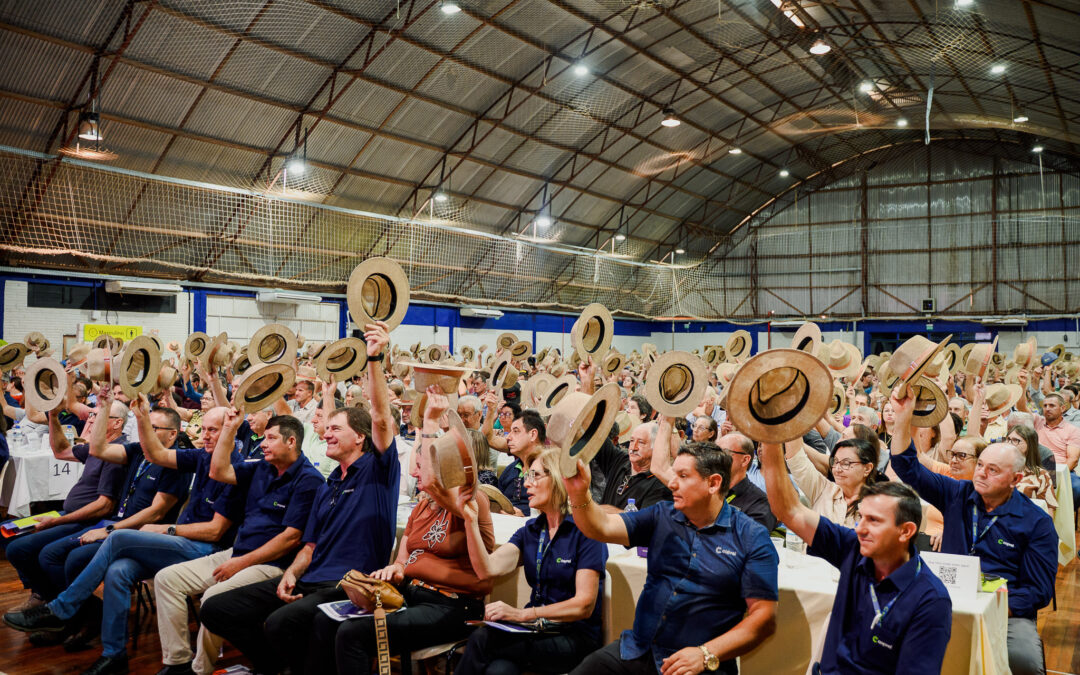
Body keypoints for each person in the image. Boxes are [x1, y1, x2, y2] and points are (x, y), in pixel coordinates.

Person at [201, 320, 400, 675]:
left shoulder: (377, 472)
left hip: (348, 584)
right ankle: (275, 666)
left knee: (281, 623)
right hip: (310, 579)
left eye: (336, 429)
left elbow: (382, 418)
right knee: (216, 609)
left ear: (360, 438)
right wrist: (291, 573)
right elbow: (308, 546)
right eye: (326, 430)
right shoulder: (326, 486)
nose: (326, 436)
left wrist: (375, 358)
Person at [3, 400, 236, 675]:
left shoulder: (238, 470)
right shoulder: (200, 457)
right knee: (118, 570)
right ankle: (114, 654)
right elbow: (154, 454)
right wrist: (138, 416)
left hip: (204, 549)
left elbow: (215, 532)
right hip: (176, 543)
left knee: (116, 538)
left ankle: (62, 609)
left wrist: (166, 528)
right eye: (204, 429)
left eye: (214, 430)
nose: (205, 435)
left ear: (231, 431)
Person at [305, 387, 494, 674]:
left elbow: (430, 481)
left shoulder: (468, 501)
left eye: (420, 465)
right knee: (324, 619)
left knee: (352, 633)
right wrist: (394, 570)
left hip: (452, 605)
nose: (416, 473)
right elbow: (402, 561)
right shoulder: (422, 506)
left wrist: (429, 422)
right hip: (411, 594)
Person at [564, 443, 778, 675]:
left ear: (713, 483)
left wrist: (705, 653)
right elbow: (601, 527)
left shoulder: (751, 537)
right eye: (674, 473)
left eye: (683, 476)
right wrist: (578, 492)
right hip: (638, 650)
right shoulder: (662, 514)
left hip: (698, 664)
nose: (672, 483)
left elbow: (764, 618)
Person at [890, 388, 1057, 675]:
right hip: (945, 597)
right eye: (980, 466)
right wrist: (903, 418)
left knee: (1024, 660)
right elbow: (907, 467)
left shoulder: (1036, 523)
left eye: (993, 470)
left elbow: (1038, 592)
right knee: (887, 637)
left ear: (1016, 479)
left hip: (1003, 610)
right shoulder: (956, 492)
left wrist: (991, 606)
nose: (981, 473)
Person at [758, 440, 953, 674]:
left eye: (874, 521)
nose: (860, 528)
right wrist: (769, 437)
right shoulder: (854, 547)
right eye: (861, 517)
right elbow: (787, 509)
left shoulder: (930, 599)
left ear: (906, 531)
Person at [153, 413, 323, 675]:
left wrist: (239, 563)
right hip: (237, 553)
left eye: (270, 438)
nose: (263, 443)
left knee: (213, 598)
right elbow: (218, 471)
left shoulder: (309, 479)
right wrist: (230, 429)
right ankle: (177, 662)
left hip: (271, 565)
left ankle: (200, 670)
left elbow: (291, 538)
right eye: (263, 437)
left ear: (291, 441)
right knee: (166, 579)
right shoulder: (263, 466)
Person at [455, 448, 607, 674]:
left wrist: (522, 614)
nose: (526, 484)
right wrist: (470, 521)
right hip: (534, 629)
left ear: (558, 478)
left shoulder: (586, 532)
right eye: (527, 476)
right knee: (499, 671)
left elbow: (583, 605)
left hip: (573, 636)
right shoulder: (532, 530)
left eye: (534, 476)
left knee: (482, 639)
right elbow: (487, 569)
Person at [3, 401, 128, 621]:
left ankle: (68, 605)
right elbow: (60, 451)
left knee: (21, 549)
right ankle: (47, 596)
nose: (90, 420)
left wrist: (57, 521)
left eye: (97, 416)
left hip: (87, 521)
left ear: (117, 423)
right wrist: (52, 416)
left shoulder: (115, 452)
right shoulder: (96, 445)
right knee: (8, 531)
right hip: (66, 515)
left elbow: (104, 506)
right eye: (91, 416)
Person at [652, 419, 775, 531]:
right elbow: (659, 468)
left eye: (724, 452)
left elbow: (747, 545)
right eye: (715, 451)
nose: (718, 457)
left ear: (745, 460)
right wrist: (667, 420)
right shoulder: (702, 485)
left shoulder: (759, 503)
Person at [785, 437, 879, 528]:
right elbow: (796, 461)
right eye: (835, 462)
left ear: (867, 468)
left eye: (846, 463)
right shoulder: (823, 489)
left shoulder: (877, 506)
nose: (837, 469)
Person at [593, 421, 671, 511]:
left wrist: (602, 513)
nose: (633, 447)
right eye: (632, 441)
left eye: (641, 442)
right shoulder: (619, 460)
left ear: (656, 447)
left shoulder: (660, 484)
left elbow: (644, 521)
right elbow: (595, 435)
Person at [499, 409, 546, 514]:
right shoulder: (509, 470)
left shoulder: (549, 469)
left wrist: (524, 517)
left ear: (533, 435)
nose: (508, 437)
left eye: (515, 431)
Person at [1007, 425, 1058, 516]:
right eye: (1008, 439)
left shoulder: (1041, 475)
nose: (1010, 443)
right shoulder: (997, 469)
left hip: (1026, 522)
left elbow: (1048, 511)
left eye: (1015, 440)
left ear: (1029, 444)